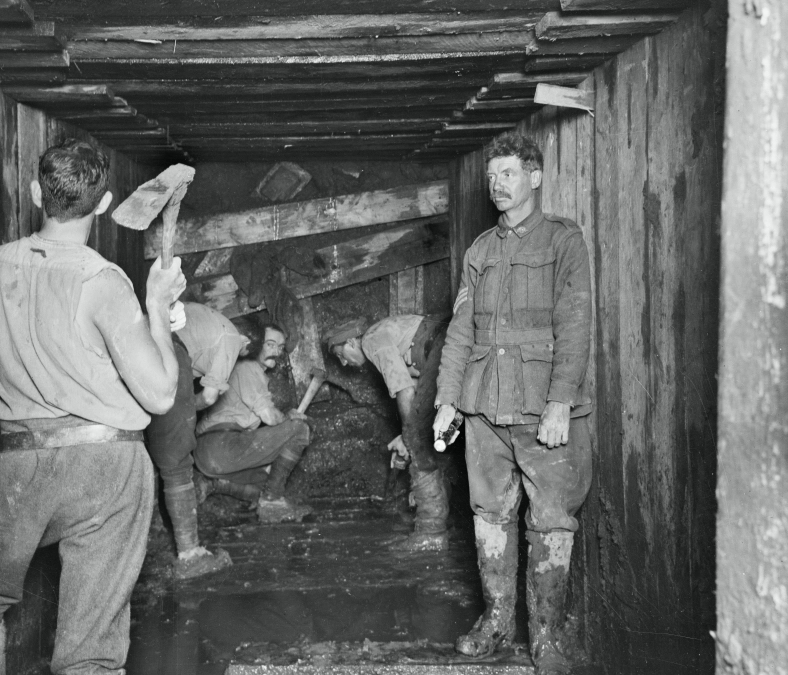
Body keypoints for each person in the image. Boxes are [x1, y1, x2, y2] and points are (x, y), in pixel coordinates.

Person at [0, 140, 186, 675]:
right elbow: (159, 393)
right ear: (105, 201)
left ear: (34, 193)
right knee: (90, 648)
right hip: (105, 466)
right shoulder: (101, 280)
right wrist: (157, 309)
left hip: (21, 463)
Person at [432, 132, 593, 675]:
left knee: (551, 520)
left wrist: (560, 403)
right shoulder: (479, 249)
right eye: (492, 176)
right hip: (484, 408)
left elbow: (574, 328)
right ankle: (497, 622)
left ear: (535, 176)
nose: (497, 185)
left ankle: (545, 636)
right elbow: (460, 332)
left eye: (508, 173)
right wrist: (447, 400)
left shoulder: (563, 242)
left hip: (540, 407)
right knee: (488, 514)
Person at [323, 313, 451, 552]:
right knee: (435, 437)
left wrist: (407, 436)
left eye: (341, 355)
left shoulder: (371, 340)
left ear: (351, 342)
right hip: (445, 346)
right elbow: (415, 387)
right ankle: (435, 522)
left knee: (416, 439)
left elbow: (404, 391)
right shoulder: (382, 338)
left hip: (444, 346)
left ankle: (431, 533)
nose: (342, 363)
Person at [144, 301, 251, 579]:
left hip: (137, 341)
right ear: (246, 340)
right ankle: (190, 554)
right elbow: (208, 397)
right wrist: (187, 410)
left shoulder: (206, 323)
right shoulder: (230, 338)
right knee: (177, 459)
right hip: (165, 347)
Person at [193, 323, 313, 523]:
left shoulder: (245, 370)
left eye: (280, 347)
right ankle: (272, 501)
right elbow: (269, 417)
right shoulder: (248, 367)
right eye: (270, 344)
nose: (276, 351)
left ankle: (214, 484)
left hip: (209, 455)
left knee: (267, 482)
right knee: (300, 430)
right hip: (221, 444)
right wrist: (289, 417)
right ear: (256, 345)